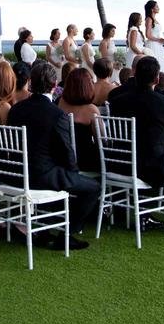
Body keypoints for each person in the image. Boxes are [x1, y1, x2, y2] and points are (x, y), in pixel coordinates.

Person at [6, 61, 98, 246]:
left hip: (15, 174)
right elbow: (66, 151)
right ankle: (67, 234)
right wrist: (73, 172)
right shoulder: (57, 115)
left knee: (68, 179)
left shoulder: (16, 110)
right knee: (93, 187)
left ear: (31, 82)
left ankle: (44, 225)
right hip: (43, 175)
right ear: (55, 85)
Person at [109, 57, 164, 234]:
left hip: (121, 165)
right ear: (157, 79)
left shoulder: (118, 100)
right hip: (153, 170)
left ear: (135, 74)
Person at [57, 65, 102, 175]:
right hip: (86, 161)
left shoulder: (61, 103)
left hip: (63, 158)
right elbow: (100, 141)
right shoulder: (92, 110)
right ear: (87, 86)